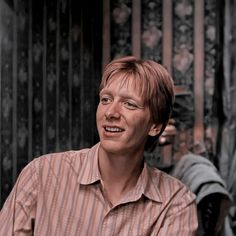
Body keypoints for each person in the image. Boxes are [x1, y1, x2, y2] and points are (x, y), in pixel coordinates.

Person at [0, 56, 198, 235]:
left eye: (129, 104)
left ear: (155, 126)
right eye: (106, 99)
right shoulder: (41, 174)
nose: (110, 112)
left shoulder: (176, 203)